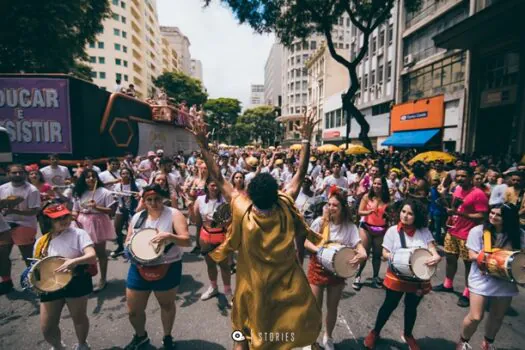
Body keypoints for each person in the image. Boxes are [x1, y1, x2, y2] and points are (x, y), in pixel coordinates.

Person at [190, 109, 324, 349]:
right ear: (276, 193)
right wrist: (305, 138)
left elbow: (219, 178)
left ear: (250, 194)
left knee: (241, 331)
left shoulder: (243, 208)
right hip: (287, 285)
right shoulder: (284, 203)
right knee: (286, 329)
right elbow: (300, 175)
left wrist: (203, 143)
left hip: (251, 286)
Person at [364, 199, 441, 350]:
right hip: (397, 276)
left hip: (418, 277)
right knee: (389, 305)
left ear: (417, 216)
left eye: (410, 213)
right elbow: (385, 252)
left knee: (411, 307)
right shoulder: (393, 231)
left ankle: (408, 334)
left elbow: (432, 249)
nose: (405, 216)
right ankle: (375, 332)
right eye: (403, 212)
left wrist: (436, 257)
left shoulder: (423, 231)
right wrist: (392, 256)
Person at [124, 185, 190, 350]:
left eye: (157, 199)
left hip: (168, 265)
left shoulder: (174, 214)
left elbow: (187, 241)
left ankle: (167, 336)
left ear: (163, 199)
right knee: (133, 310)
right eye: (149, 200)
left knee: (166, 305)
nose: (154, 203)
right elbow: (127, 241)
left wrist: (170, 236)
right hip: (138, 267)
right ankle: (141, 336)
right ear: (144, 201)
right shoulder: (138, 217)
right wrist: (129, 250)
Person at [456, 204, 525, 350]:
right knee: (475, 316)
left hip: (505, 279)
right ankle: (463, 341)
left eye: (498, 215)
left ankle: (488, 342)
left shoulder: (518, 234)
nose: (493, 217)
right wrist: (485, 257)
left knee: (497, 316)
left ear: (508, 218)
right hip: (481, 277)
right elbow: (471, 254)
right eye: (491, 213)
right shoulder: (478, 231)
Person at [304, 189, 367, 350]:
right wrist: (318, 250)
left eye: (335, 205)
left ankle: (328, 337)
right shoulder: (320, 222)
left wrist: (361, 255)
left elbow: (361, 250)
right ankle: (312, 339)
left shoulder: (350, 227)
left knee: (332, 307)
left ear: (343, 207)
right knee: (314, 308)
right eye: (329, 204)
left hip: (337, 271)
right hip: (317, 267)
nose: (331, 208)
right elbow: (306, 242)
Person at [34, 204, 96, 350]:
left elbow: (92, 256)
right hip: (50, 284)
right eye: (58, 218)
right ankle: (57, 346)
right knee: (47, 326)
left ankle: (82, 344)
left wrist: (74, 261)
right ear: (48, 220)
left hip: (76, 279)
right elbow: (37, 267)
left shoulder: (79, 233)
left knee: (78, 317)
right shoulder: (41, 241)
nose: (64, 220)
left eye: (66, 216)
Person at [433, 166, 489, 307]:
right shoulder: (457, 189)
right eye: (457, 175)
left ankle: (467, 292)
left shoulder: (479, 194)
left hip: (468, 235)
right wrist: (450, 218)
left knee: (469, 265)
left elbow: (482, 215)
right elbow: (455, 208)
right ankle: (448, 284)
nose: (459, 178)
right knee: (450, 258)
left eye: (463, 176)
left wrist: (460, 214)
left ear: (470, 177)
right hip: (453, 231)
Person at [187, 178, 232, 304]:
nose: (215, 188)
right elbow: (197, 221)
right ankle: (213, 287)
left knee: (224, 266)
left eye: (217, 185)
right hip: (205, 237)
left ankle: (228, 291)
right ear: (207, 186)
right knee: (210, 264)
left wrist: (220, 221)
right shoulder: (200, 200)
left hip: (221, 236)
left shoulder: (225, 200)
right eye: (212, 185)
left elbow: (231, 220)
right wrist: (191, 209)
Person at [72, 169, 117, 292]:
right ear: (83, 179)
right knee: (82, 253)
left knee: (100, 253)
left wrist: (96, 207)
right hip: (81, 223)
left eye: (93, 177)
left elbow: (111, 211)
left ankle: (103, 279)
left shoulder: (105, 192)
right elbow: (75, 210)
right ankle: (85, 279)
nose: (91, 179)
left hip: (98, 223)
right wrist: (73, 217)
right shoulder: (79, 192)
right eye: (88, 177)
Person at [0, 164, 41, 295]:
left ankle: (36, 281)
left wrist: (13, 210)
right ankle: (6, 282)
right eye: (14, 173)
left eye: (20, 172)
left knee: (28, 256)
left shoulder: (32, 189)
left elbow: (34, 211)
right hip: (5, 224)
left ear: (24, 174)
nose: (17, 175)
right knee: (2, 254)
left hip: (24, 224)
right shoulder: (2, 188)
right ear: (8, 174)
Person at [353, 176, 391, 290]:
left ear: (383, 186)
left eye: (379, 184)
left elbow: (391, 214)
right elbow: (359, 212)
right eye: (374, 183)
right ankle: (358, 276)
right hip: (366, 227)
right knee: (364, 253)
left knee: (377, 255)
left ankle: (375, 277)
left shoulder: (388, 199)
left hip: (381, 229)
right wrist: (368, 212)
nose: (376, 186)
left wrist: (389, 216)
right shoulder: (366, 197)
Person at [110, 167, 141, 258]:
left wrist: (137, 196)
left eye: (127, 173)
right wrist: (115, 197)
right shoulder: (117, 186)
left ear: (130, 175)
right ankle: (120, 247)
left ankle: (132, 249)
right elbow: (114, 197)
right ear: (120, 175)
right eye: (123, 173)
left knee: (131, 230)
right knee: (117, 229)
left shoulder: (137, 185)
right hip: (120, 209)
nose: (125, 175)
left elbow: (141, 196)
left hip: (133, 209)